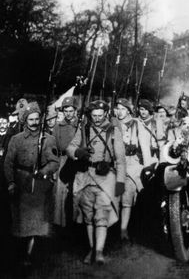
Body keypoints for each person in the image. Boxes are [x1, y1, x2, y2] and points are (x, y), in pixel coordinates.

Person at [66, 100, 126, 264]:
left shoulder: (114, 132)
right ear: (89, 115)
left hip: (106, 179)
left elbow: (120, 160)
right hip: (85, 177)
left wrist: (120, 183)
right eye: (94, 116)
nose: (97, 119)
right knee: (88, 215)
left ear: (106, 114)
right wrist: (78, 152)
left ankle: (99, 251)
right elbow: (70, 148)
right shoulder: (84, 129)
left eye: (100, 115)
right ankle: (92, 249)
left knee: (102, 214)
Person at [4, 102, 59, 267]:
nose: (34, 122)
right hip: (21, 184)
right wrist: (11, 182)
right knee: (20, 223)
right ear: (25, 121)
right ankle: (19, 253)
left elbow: (54, 162)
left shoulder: (48, 139)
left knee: (36, 224)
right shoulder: (16, 140)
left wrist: (43, 171)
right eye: (31, 119)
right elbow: (8, 163)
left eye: (37, 119)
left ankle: (29, 255)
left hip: (39, 186)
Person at [114, 98, 151, 241]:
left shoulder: (136, 124)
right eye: (118, 108)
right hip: (115, 164)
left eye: (123, 109)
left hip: (131, 165)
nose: (120, 111)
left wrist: (147, 167)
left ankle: (123, 229)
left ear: (128, 111)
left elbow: (145, 147)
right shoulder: (112, 123)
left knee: (127, 196)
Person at [51, 96, 79, 228]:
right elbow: (53, 147)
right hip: (62, 160)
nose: (68, 113)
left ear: (75, 111)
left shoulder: (80, 126)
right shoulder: (57, 127)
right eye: (66, 111)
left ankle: (75, 222)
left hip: (76, 161)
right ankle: (60, 223)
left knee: (76, 192)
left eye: (71, 110)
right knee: (60, 192)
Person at [136, 99, 165, 164]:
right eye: (141, 109)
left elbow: (161, 144)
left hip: (153, 157)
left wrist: (162, 163)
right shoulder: (136, 122)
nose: (143, 112)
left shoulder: (156, 122)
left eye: (146, 109)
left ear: (149, 110)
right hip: (138, 157)